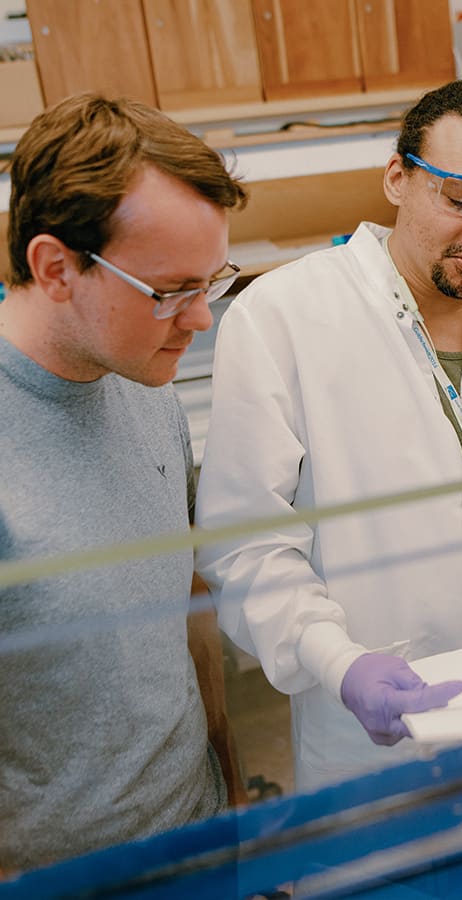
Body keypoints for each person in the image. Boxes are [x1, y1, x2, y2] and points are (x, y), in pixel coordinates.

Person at [195, 79, 462, 789]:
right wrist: (338, 660)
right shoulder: (282, 317)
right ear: (397, 178)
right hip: (364, 733)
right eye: (461, 199)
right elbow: (248, 543)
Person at [0, 92, 248, 873]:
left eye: (213, 281)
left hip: (199, 835)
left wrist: (228, 785)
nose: (201, 318)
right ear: (56, 267)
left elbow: (187, 610)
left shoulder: (147, 390)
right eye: (172, 290)